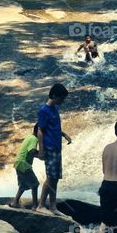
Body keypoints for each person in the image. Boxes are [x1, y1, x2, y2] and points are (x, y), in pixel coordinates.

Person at [37, 83, 73, 214]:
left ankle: (53, 206)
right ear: (54, 96)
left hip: (57, 147)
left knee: (55, 178)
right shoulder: (43, 110)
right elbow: (40, 130)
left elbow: (54, 128)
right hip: (49, 147)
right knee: (50, 177)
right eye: (61, 98)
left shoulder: (54, 109)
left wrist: (64, 135)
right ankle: (41, 205)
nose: (63, 101)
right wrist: (41, 149)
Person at [10, 124, 40, 209]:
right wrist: (41, 156)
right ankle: (35, 205)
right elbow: (32, 151)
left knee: (23, 185)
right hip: (24, 164)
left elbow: (29, 151)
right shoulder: (34, 139)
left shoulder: (30, 137)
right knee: (35, 184)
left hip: (18, 162)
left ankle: (15, 202)